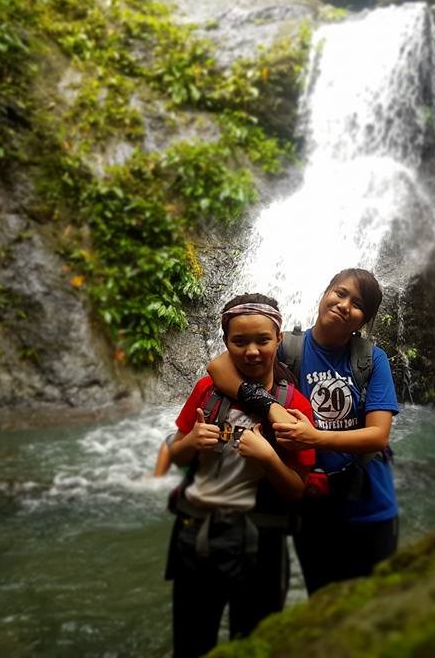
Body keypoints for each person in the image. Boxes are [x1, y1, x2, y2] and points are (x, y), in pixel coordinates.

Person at [207, 268, 399, 595]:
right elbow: (218, 368)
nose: (344, 304)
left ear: (364, 319)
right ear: (325, 293)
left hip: (370, 504)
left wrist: (314, 438)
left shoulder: (372, 359)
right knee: (322, 601)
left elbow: (378, 436)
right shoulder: (287, 348)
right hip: (309, 502)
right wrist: (268, 405)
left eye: (358, 304)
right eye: (340, 293)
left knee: (374, 607)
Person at [165, 294, 315, 658]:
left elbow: (297, 490)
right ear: (225, 342)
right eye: (239, 341)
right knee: (191, 643)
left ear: (279, 339)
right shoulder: (207, 391)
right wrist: (192, 443)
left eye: (263, 340)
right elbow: (173, 455)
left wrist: (269, 459)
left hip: (261, 544)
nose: (251, 352)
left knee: (254, 645)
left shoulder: (295, 406)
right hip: (197, 534)